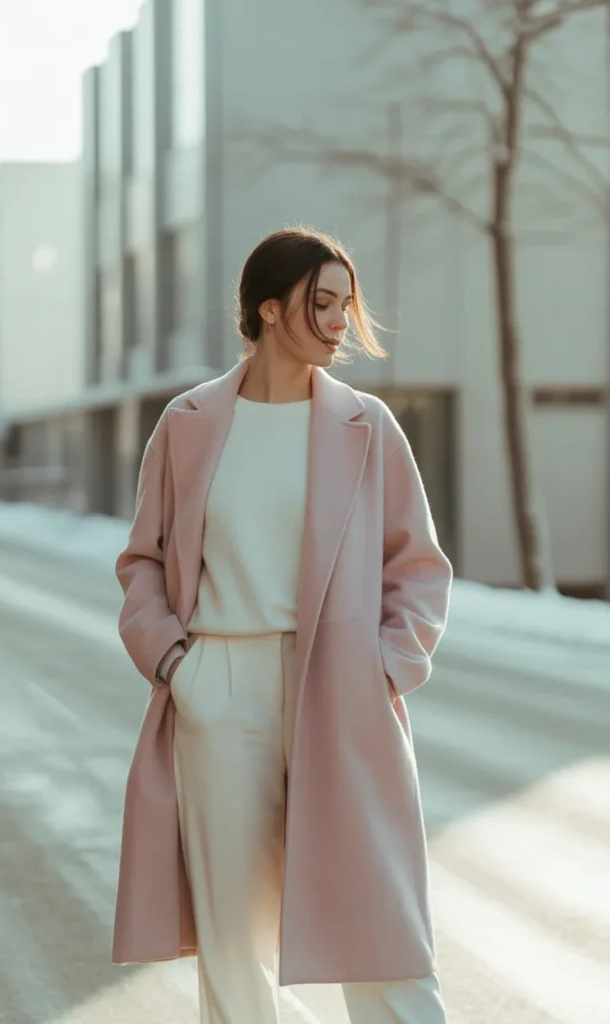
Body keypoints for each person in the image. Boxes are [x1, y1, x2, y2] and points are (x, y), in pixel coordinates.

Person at [112, 226, 454, 1024]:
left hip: (340, 688)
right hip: (217, 686)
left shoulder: (367, 426)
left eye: (345, 305)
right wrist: (173, 664)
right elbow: (144, 561)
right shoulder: (188, 421)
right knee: (233, 935)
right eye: (320, 303)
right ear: (268, 309)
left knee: (377, 921)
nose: (340, 322)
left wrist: (385, 668)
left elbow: (418, 567)